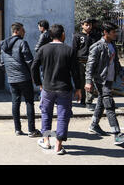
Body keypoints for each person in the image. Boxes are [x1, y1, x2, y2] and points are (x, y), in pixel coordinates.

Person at [32, 24, 81, 155]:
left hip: (47, 88)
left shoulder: (43, 49)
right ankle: (58, 146)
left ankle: (46, 140)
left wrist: (38, 83)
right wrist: (78, 88)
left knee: (46, 114)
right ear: (63, 34)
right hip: (64, 89)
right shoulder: (69, 50)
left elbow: (34, 67)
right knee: (63, 116)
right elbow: (76, 72)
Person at [85, 22, 124, 145]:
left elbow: (116, 63)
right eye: (113, 32)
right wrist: (88, 81)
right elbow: (90, 65)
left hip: (109, 79)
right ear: (105, 33)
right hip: (100, 80)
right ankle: (117, 134)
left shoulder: (112, 44)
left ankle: (94, 125)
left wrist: (123, 76)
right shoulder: (97, 46)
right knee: (109, 105)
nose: (116, 34)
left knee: (101, 103)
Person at [0, 22, 41, 137]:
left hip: (12, 79)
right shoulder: (22, 43)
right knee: (29, 102)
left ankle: (17, 129)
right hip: (24, 78)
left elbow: (2, 64)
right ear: (16, 31)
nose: (25, 32)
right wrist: (34, 76)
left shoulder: (3, 45)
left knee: (15, 103)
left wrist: (10, 74)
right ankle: (32, 130)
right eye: (23, 30)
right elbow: (30, 62)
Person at [72, 19, 96, 110]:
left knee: (90, 81)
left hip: (91, 62)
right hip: (80, 62)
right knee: (81, 81)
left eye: (90, 25)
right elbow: (74, 50)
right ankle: (82, 99)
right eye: (86, 25)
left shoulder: (94, 36)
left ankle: (89, 101)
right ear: (82, 25)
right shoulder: (77, 36)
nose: (88, 26)